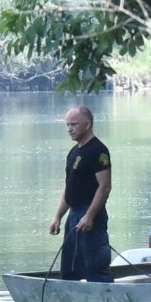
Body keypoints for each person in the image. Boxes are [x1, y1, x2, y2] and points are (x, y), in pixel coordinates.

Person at [49, 106, 113, 282]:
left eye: (74, 124)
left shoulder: (98, 150)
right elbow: (69, 188)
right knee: (69, 269)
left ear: (87, 124)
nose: (69, 129)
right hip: (73, 215)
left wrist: (90, 215)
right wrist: (58, 217)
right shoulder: (73, 152)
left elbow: (105, 187)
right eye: (67, 125)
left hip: (91, 215)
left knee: (95, 268)